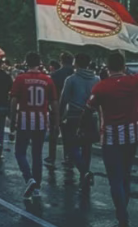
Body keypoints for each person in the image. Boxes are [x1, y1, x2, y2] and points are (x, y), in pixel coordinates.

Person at [86, 51, 138, 225]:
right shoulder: (134, 82)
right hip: (130, 136)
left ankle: (121, 214)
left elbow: (89, 107)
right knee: (125, 176)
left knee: (114, 179)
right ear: (124, 66)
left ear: (107, 67)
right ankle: (123, 210)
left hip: (109, 137)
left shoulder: (101, 86)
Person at [10, 51, 56, 199]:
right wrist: (56, 120)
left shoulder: (20, 79)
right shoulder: (47, 80)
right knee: (37, 154)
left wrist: (12, 119)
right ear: (39, 62)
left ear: (26, 62)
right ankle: (37, 186)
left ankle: (29, 177)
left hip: (24, 119)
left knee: (20, 152)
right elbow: (54, 102)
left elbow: (13, 100)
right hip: (41, 120)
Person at [60, 52, 98, 190]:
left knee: (71, 145)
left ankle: (84, 171)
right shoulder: (97, 79)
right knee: (87, 146)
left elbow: (64, 100)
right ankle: (84, 173)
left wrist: (59, 116)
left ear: (76, 63)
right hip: (91, 116)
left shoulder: (71, 80)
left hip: (74, 115)